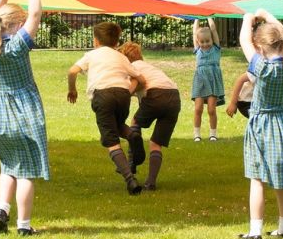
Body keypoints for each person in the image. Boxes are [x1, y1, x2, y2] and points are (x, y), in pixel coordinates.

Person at [0, 0, 49, 235]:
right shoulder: (16, 47)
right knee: (26, 172)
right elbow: (36, 14)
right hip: (24, 116)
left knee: (7, 166)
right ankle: (24, 225)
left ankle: (2, 208)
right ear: (17, 25)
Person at [237, 9, 283, 239]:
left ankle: (255, 230)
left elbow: (243, 40)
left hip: (261, 126)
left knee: (257, 179)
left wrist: (248, 18)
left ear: (261, 47)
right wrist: (268, 17)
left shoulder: (263, 68)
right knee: (281, 179)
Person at [68, 21, 148, 195]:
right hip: (122, 95)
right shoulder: (121, 57)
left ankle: (130, 180)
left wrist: (72, 89)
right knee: (118, 126)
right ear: (116, 42)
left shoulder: (92, 55)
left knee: (111, 140)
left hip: (102, 96)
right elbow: (140, 80)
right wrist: (129, 92)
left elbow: (72, 71)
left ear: (96, 41)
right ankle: (132, 135)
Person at [119, 42, 181, 191]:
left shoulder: (134, 68)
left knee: (135, 122)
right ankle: (150, 182)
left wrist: (122, 97)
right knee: (156, 142)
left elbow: (135, 85)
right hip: (174, 97)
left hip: (156, 94)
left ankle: (132, 161)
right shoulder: (148, 67)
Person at [189, 18, 225, 142]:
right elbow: (195, 32)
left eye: (207, 41)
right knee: (198, 108)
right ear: (198, 42)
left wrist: (208, 16)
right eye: (202, 41)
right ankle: (196, 134)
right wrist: (197, 18)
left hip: (213, 79)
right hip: (200, 80)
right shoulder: (198, 49)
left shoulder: (215, 48)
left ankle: (213, 134)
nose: (205, 44)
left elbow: (214, 30)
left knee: (211, 109)